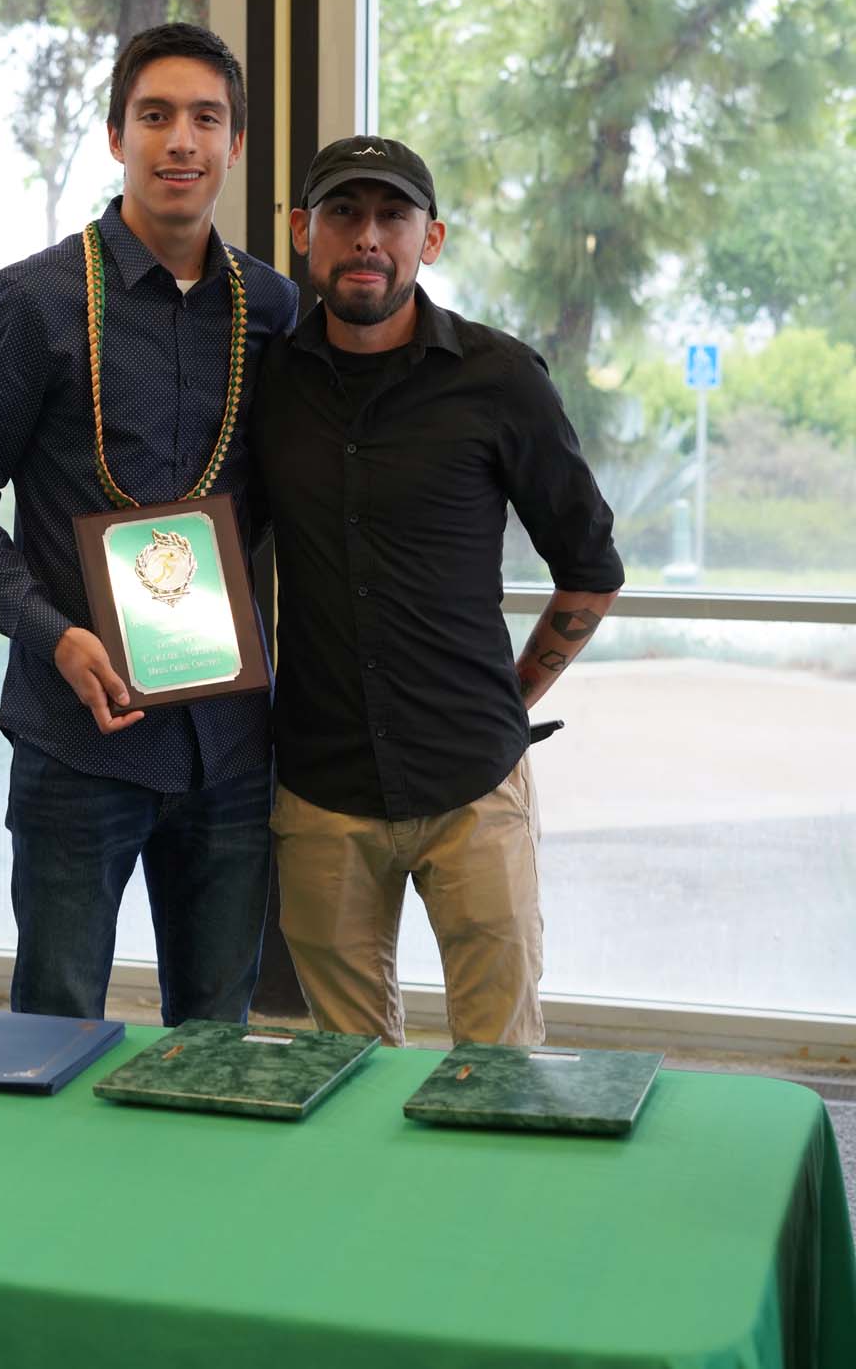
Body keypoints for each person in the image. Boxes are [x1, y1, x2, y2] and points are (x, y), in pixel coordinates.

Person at [0, 23, 298, 1025]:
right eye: (155, 115)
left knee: (214, 1046)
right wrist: (55, 635)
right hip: (78, 737)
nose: (181, 140)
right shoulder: (34, 302)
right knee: (52, 1028)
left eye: (206, 119)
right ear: (116, 135)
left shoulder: (270, 309)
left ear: (235, 144)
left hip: (228, 746)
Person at [251, 135, 624, 1047]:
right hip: (322, 788)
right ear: (303, 231)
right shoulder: (267, 384)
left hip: (473, 787)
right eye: (343, 213)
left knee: (501, 1066)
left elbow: (590, 566)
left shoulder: (500, 379)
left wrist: (512, 694)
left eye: (393, 216)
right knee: (346, 1070)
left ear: (432, 238)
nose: (367, 237)